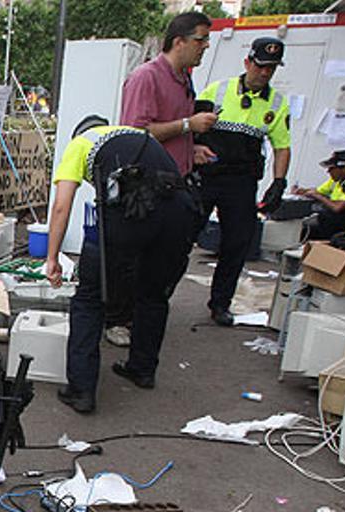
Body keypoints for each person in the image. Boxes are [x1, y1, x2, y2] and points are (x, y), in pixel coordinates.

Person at [45, 116, 195, 414]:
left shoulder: (80, 144)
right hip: (179, 212)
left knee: (89, 300)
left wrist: (52, 258)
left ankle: (81, 390)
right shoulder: (138, 137)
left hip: (133, 213)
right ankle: (142, 369)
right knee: (152, 293)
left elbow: (62, 204)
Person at [110, 10, 217, 347]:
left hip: (178, 184)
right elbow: (135, 132)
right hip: (148, 187)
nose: (204, 48)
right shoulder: (147, 77)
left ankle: (142, 323)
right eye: (200, 40)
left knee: (167, 262)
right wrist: (188, 126)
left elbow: (169, 130)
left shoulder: (183, 80)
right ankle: (120, 319)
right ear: (179, 41)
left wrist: (192, 147)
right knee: (136, 261)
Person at [194, 37, 292, 327]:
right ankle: (161, 293)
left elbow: (281, 146)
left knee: (237, 243)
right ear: (248, 62)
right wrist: (195, 148)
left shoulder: (276, 103)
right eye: (260, 66)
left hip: (241, 181)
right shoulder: (218, 90)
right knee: (182, 235)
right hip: (208, 176)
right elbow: (193, 126)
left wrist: (279, 182)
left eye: (271, 68)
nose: (264, 73)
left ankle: (220, 304)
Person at [294, 149, 345, 240]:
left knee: (305, 230)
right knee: (298, 224)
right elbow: (318, 191)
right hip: (335, 220)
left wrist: (317, 196)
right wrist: (301, 191)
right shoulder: (339, 178)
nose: (328, 171)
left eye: (332, 168)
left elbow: (337, 207)